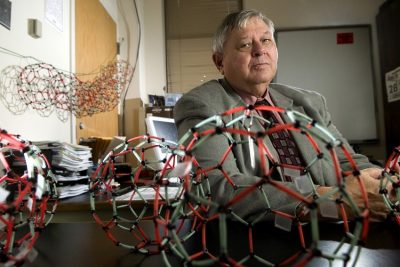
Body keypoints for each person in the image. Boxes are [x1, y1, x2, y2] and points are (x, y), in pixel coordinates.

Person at [173, 9, 393, 222]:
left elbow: (344, 159)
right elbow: (218, 188)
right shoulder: (202, 105)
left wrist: (383, 181)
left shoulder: (308, 102)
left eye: (266, 40)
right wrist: (332, 199)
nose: (260, 50)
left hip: (332, 229)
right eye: (245, 44)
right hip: (260, 239)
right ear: (219, 62)